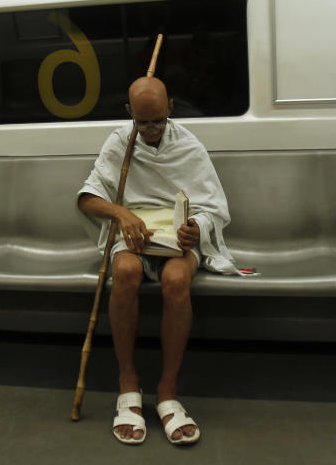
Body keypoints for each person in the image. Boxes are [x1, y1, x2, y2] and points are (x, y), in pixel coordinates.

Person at [77, 76, 241, 446]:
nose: (150, 131)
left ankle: (167, 390)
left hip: (177, 239)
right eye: (142, 122)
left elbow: (212, 207)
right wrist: (121, 213)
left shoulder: (189, 145)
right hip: (134, 236)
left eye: (157, 121)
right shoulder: (120, 142)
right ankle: (128, 382)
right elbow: (88, 197)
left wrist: (195, 228)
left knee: (176, 281)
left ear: (169, 109)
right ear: (129, 114)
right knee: (125, 270)